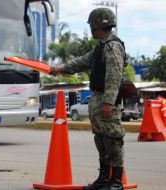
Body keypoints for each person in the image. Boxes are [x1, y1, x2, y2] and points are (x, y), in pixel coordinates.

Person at [50, 8, 126, 190]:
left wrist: (108, 102)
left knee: (112, 139)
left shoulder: (113, 46)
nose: (92, 29)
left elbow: (114, 76)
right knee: (100, 139)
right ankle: (103, 179)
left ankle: (115, 182)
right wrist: (59, 69)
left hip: (106, 101)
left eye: (93, 26)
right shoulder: (100, 47)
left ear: (97, 25)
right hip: (97, 99)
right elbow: (81, 62)